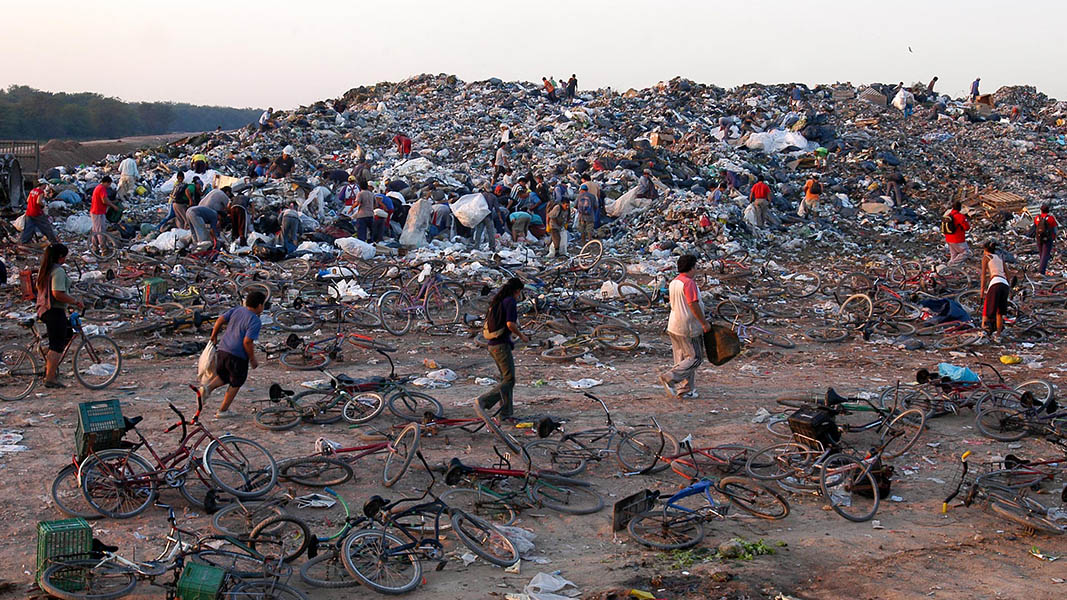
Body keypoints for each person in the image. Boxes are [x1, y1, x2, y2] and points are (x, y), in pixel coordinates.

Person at [202, 290, 266, 418]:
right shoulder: (255, 321)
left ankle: (207, 389)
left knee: (224, 376)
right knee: (236, 382)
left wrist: (213, 335)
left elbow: (220, 320)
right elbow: (247, 342)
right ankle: (223, 410)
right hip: (237, 355)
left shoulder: (237, 310)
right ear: (259, 305)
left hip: (223, 349)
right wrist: (252, 358)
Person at [478, 278, 529, 421]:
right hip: (500, 346)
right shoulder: (510, 301)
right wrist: (521, 335)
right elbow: (510, 324)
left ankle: (506, 413)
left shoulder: (498, 300)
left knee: (505, 379)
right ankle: (485, 401)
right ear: (517, 291)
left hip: (492, 345)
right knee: (509, 380)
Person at [659, 254, 709, 398]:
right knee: (695, 358)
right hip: (688, 326)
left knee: (682, 359)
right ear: (691, 267)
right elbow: (692, 303)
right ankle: (670, 377)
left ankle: (685, 390)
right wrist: (704, 323)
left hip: (674, 324)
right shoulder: (688, 283)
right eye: (696, 266)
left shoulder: (675, 282)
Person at [35, 243, 84, 388]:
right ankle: (50, 378)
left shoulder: (45, 269)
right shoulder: (58, 271)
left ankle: (49, 359)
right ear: (61, 257)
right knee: (57, 346)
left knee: (66, 333)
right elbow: (58, 293)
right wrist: (75, 302)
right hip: (53, 311)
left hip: (44, 309)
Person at [980, 240, 1010, 340]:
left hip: (995, 284)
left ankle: (985, 331)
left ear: (985, 250)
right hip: (1005, 284)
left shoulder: (986, 258)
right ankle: (998, 335)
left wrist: (982, 291)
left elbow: (983, 276)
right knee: (1000, 312)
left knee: (988, 311)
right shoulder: (1000, 258)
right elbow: (1007, 274)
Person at [89, 176, 118, 254]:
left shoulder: (99, 187)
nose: (109, 186)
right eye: (109, 184)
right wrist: (113, 206)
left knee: (95, 230)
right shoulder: (101, 188)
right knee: (100, 231)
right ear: (106, 182)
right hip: (97, 212)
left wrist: (112, 202)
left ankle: (95, 248)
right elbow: (104, 200)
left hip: (96, 212)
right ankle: (104, 249)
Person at [942, 200, 970, 265]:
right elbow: (966, 227)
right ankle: (951, 264)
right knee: (965, 252)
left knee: (954, 254)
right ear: (959, 208)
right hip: (957, 238)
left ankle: (950, 269)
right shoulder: (959, 216)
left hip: (948, 238)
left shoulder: (948, 215)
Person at [1034, 203, 1058, 275]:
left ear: (1041, 210)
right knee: (1045, 254)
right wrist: (1054, 236)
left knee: (1041, 253)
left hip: (1039, 237)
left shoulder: (1037, 218)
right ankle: (1041, 271)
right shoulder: (1050, 218)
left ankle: (1041, 267)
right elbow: (1055, 229)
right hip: (1048, 238)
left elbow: (1035, 227)